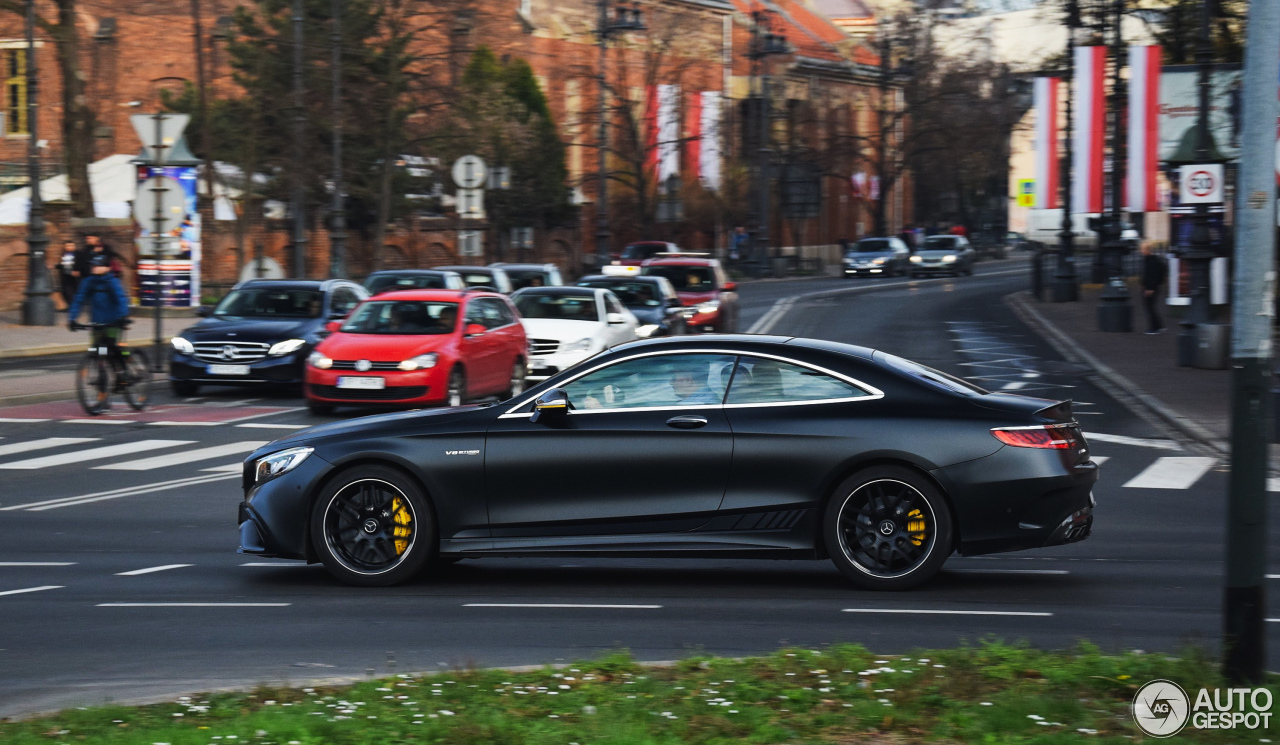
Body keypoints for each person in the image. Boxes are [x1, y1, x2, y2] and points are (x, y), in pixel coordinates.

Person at [68, 251, 133, 381]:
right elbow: (79, 299)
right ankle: (102, 376)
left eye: (98, 265)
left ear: (107, 268)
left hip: (113, 322)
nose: (94, 268)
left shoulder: (112, 282)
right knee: (97, 350)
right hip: (97, 323)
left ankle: (124, 372)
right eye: (93, 265)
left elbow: (121, 298)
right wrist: (72, 319)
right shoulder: (89, 282)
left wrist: (123, 317)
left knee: (113, 348)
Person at [1140, 242, 1167, 335]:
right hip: (1152, 286)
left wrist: (1150, 288)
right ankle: (1159, 325)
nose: (1142, 251)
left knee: (1150, 307)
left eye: (1143, 249)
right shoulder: (1152, 260)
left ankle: (1154, 327)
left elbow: (1151, 275)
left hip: (1151, 287)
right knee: (1151, 307)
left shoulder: (1151, 261)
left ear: (1147, 250)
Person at [58, 240, 79, 308]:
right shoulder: (64, 254)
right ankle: (70, 305)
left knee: (73, 291)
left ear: (74, 246)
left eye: (71, 245)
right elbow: (63, 265)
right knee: (66, 292)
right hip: (65, 276)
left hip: (74, 277)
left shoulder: (77, 254)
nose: (69, 247)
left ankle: (73, 306)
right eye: (67, 246)